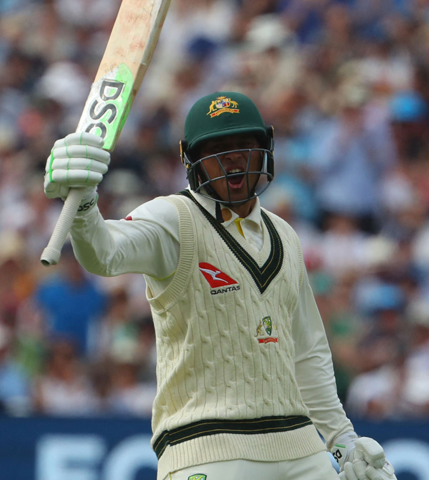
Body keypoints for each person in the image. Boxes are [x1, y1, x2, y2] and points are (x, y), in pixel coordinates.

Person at [43, 91, 397, 480]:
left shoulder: (285, 235)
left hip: (300, 447)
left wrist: (343, 441)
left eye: (243, 146)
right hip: (205, 445)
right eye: (217, 150)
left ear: (264, 150)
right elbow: (104, 253)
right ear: (192, 160)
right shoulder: (173, 217)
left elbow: (307, 351)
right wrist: (84, 203)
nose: (233, 159)